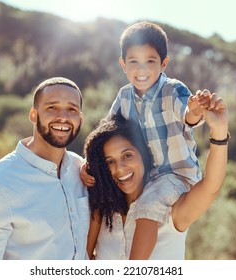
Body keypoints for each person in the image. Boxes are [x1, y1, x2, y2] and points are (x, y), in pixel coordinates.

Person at [81, 21, 211, 259]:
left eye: (150, 61)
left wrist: (194, 110)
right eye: (134, 62)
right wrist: (87, 163)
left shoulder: (172, 90)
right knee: (99, 192)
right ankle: (85, 257)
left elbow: (188, 116)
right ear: (123, 65)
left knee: (148, 205)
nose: (141, 69)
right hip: (148, 176)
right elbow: (105, 131)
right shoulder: (124, 96)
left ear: (163, 63)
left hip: (177, 176)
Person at [84, 93, 229, 259]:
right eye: (110, 161)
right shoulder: (103, 214)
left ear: (143, 155)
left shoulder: (169, 210)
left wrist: (219, 131)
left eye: (127, 155)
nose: (120, 168)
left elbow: (211, 187)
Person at [0, 77, 90, 260]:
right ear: (33, 115)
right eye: (52, 107)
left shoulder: (81, 170)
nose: (63, 117)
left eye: (72, 109)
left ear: (80, 119)